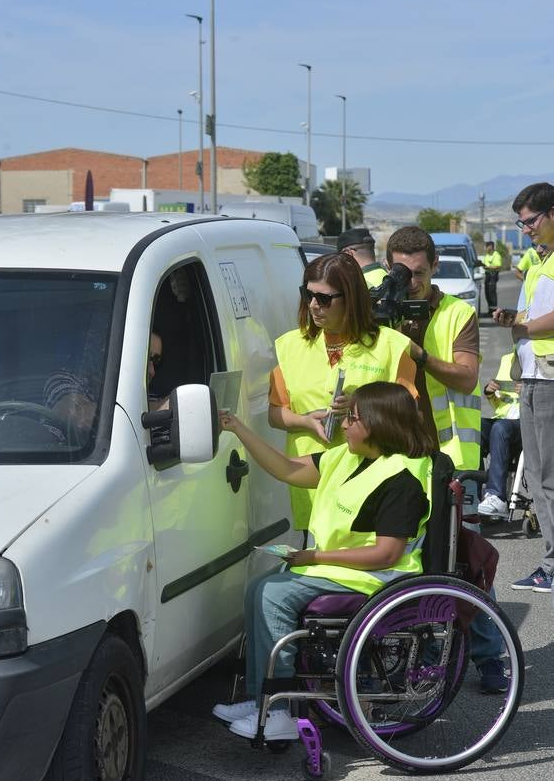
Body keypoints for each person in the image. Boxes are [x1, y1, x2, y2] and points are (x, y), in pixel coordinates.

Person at [212, 382, 434, 741]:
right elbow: (286, 469)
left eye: (353, 419)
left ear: (377, 424)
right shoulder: (348, 458)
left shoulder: (402, 478)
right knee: (259, 589)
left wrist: (314, 556)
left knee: (272, 594)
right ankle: (260, 700)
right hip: (339, 570)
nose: (343, 425)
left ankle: (279, 711)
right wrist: (238, 428)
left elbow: (387, 554)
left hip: (376, 578)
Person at [385, 225, 507, 693]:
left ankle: (489, 654)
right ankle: (417, 655)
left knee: (465, 563)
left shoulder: (458, 313)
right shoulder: (384, 308)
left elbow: (466, 377)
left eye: (419, 272)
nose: (410, 281)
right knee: (408, 563)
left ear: (435, 267)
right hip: (398, 455)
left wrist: (419, 355)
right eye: (402, 271)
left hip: (452, 459)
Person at [268, 252, 417, 534]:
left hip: (373, 485)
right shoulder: (289, 346)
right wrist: (306, 421)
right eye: (307, 294)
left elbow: (411, 415)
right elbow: (275, 413)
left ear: (351, 298)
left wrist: (363, 407)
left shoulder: (391, 346)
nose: (313, 305)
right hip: (312, 485)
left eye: (324, 299)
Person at [494, 182, 554, 594]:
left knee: (547, 475)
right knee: (537, 475)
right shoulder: (538, 262)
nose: (526, 229)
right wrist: (513, 317)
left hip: (549, 377)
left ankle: (552, 566)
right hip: (534, 375)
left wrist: (522, 326)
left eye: (530, 220)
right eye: (521, 222)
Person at [477, 352, 522, 519]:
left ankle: (497, 496)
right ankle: (473, 494)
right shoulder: (506, 359)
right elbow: (500, 402)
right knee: (478, 426)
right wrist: (490, 392)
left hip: (527, 423)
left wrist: (530, 392)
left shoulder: (545, 359)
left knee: (499, 428)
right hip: (503, 419)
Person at [481, 241, 503, 314]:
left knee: (492, 293)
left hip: (493, 275)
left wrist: (489, 267)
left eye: (486, 247)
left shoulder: (496, 255)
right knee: (487, 293)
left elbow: (498, 266)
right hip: (487, 275)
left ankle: (494, 311)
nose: (485, 248)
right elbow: (485, 264)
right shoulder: (487, 255)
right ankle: (490, 310)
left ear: (490, 247)